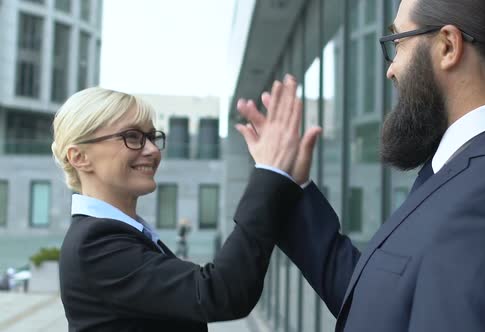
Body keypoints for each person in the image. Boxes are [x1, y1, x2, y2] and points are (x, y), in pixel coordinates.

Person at [235, 0, 485, 331]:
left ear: (448, 46)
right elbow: (384, 302)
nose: (391, 69)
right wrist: (291, 184)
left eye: (398, 41)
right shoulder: (475, 166)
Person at [53, 87, 303, 331]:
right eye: (132, 137)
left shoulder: (116, 234)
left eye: (152, 137)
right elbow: (221, 291)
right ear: (79, 157)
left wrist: (285, 179)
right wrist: (270, 173)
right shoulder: (94, 244)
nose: (152, 150)